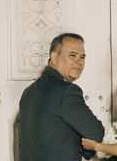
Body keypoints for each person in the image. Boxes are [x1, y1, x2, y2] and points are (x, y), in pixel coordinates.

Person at [19, 32, 105, 161]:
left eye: (82, 57)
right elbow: (96, 132)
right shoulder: (67, 91)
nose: (79, 61)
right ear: (54, 58)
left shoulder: (28, 92)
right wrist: (86, 151)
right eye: (72, 55)